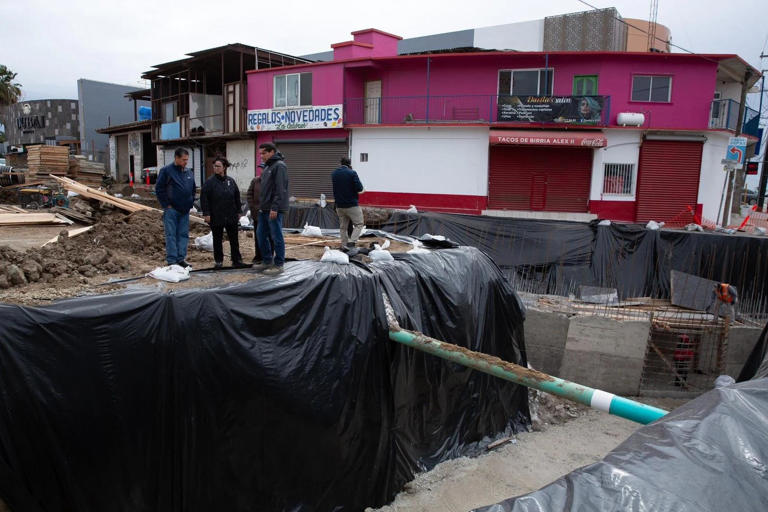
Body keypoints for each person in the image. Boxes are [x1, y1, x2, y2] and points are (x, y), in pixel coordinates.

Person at [201, 157, 249, 269]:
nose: (215, 168)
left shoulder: (230, 181)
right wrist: (207, 213)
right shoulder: (209, 182)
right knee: (217, 239)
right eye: (214, 166)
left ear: (224, 167)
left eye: (218, 166)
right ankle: (219, 261)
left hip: (231, 214)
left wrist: (239, 211)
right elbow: (204, 199)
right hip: (216, 215)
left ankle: (236, 260)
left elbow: (237, 196)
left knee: (234, 239)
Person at [156, 148, 195, 267]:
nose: (186, 162)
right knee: (171, 235)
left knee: (183, 234)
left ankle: (181, 258)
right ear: (176, 158)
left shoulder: (188, 172)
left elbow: (192, 188)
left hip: (185, 210)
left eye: (187, 160)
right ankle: (172, 260)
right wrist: (166, 204)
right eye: (183, 159)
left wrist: (191, 201)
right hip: (172, 209)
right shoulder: (167, 171)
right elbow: (159, 188)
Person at [255, 143, 289, 275]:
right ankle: (267, 260)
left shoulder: (279, 166)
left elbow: (280, 189)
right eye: (260, 154)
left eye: (263, 153)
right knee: (261, 235)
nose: (261, 156)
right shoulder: (269, 166)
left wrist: (275, 207)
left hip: (274, 209)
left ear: (272, 152)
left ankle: (279, 264)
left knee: (276, 236)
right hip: (264, 208)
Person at [331, 156, 365, 249]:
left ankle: (344, 245)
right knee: (359, 224)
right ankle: (352, 242)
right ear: (349, 164)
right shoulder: (352, 173)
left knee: (343, 227)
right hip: (351, 205)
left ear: (340, 163)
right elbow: (359, 188)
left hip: (339, 205)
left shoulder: (334, 174)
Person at [246, 163, 266, 265]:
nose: (261, 171)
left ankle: (268, 255)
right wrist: (252, 206)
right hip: (257, 214)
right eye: (260, 169)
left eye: (263, 168)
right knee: (258, 235)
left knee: (269, 236)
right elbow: (249, 194)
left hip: (267, 213)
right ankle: (258, 256)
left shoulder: (271, 181)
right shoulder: (255, 181)